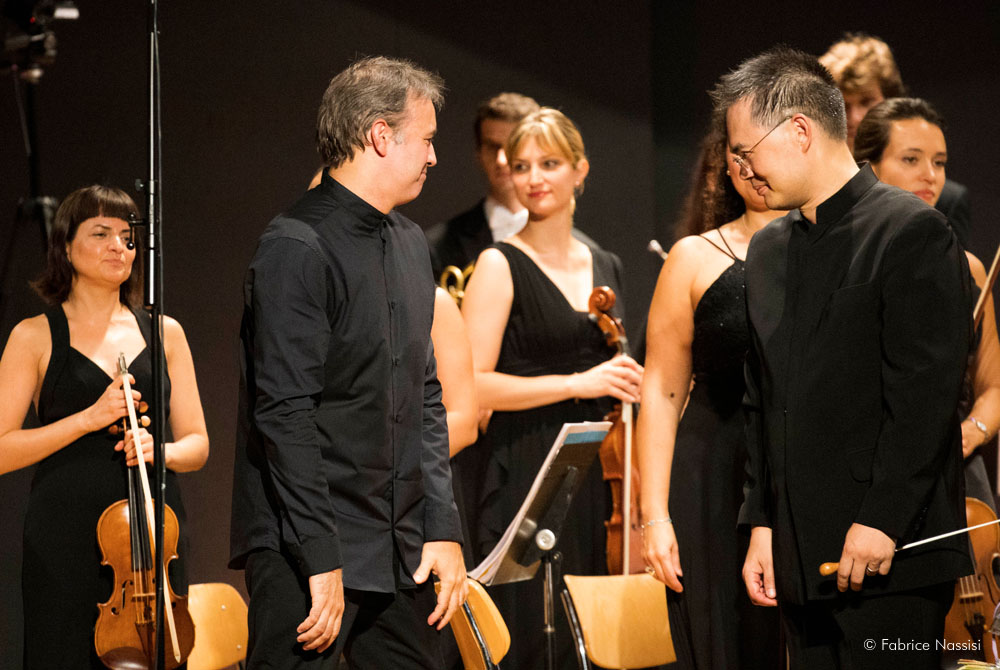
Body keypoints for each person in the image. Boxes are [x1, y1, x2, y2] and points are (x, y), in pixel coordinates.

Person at [716, 47, 971, 669]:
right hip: (801, 561)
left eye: (747, 151)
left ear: (800, 131)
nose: (743, 170)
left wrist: (882, 520)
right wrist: (762, 522)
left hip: (893, 560)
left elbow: (925, 398)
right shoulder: (769, 250)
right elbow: (762, 399)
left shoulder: (911, 231)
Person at [230, 56, 467, 669]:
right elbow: (285, 414)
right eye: (427, 139)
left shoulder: (410, 243)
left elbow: (425, 396)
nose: (434, 156)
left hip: (400, 542)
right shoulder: (296, 246)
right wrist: (320, 554)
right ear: (381, 135)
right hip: (308, 544)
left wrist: (441, 525)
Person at [461, 107, 643, 669]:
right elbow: (471, 386)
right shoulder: (498, 264)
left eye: (549, 163)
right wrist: (576, 382)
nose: (534, 178)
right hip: (527, 463)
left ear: (579, 170)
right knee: (533, 635)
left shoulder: (606, 263)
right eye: (521, 166)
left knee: (590, 632)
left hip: (596, 472)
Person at [0, 184, 209, 669]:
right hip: (64, 541)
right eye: (101, 233)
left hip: (152, 541)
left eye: (128, 237)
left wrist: (160, 451)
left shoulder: (165, 332)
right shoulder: (33, 336)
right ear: (65, 246)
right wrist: (87, 419)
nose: (119, 247)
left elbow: (198, 445)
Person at [637, 116, 784, 669]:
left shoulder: (831, 249)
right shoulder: (693, 257)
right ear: (724, 162)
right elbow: (662, 390)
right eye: (738, 154)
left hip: (797, 470)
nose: (751, 167)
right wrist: (654, 515)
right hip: (710, 474)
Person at [854, 97, 1000, 511]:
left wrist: (972, 430)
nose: (930, 175)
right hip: (868, 473)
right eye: (911, 159)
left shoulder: (969, 269)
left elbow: (993, 386)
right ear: (869, 167)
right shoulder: (844, 263)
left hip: (956, 474)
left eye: (939, 162)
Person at [819, 33, 972, 246]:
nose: (854, 118)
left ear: (892, 101)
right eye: (843, 105)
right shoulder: (810, 189)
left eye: (866, 101)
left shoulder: (945, 199)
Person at [425, 92, 599, 280]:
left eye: (513, 146)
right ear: (478, 153)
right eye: (492, 146)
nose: (502, 160)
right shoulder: (436, 246)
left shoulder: (592, 256)